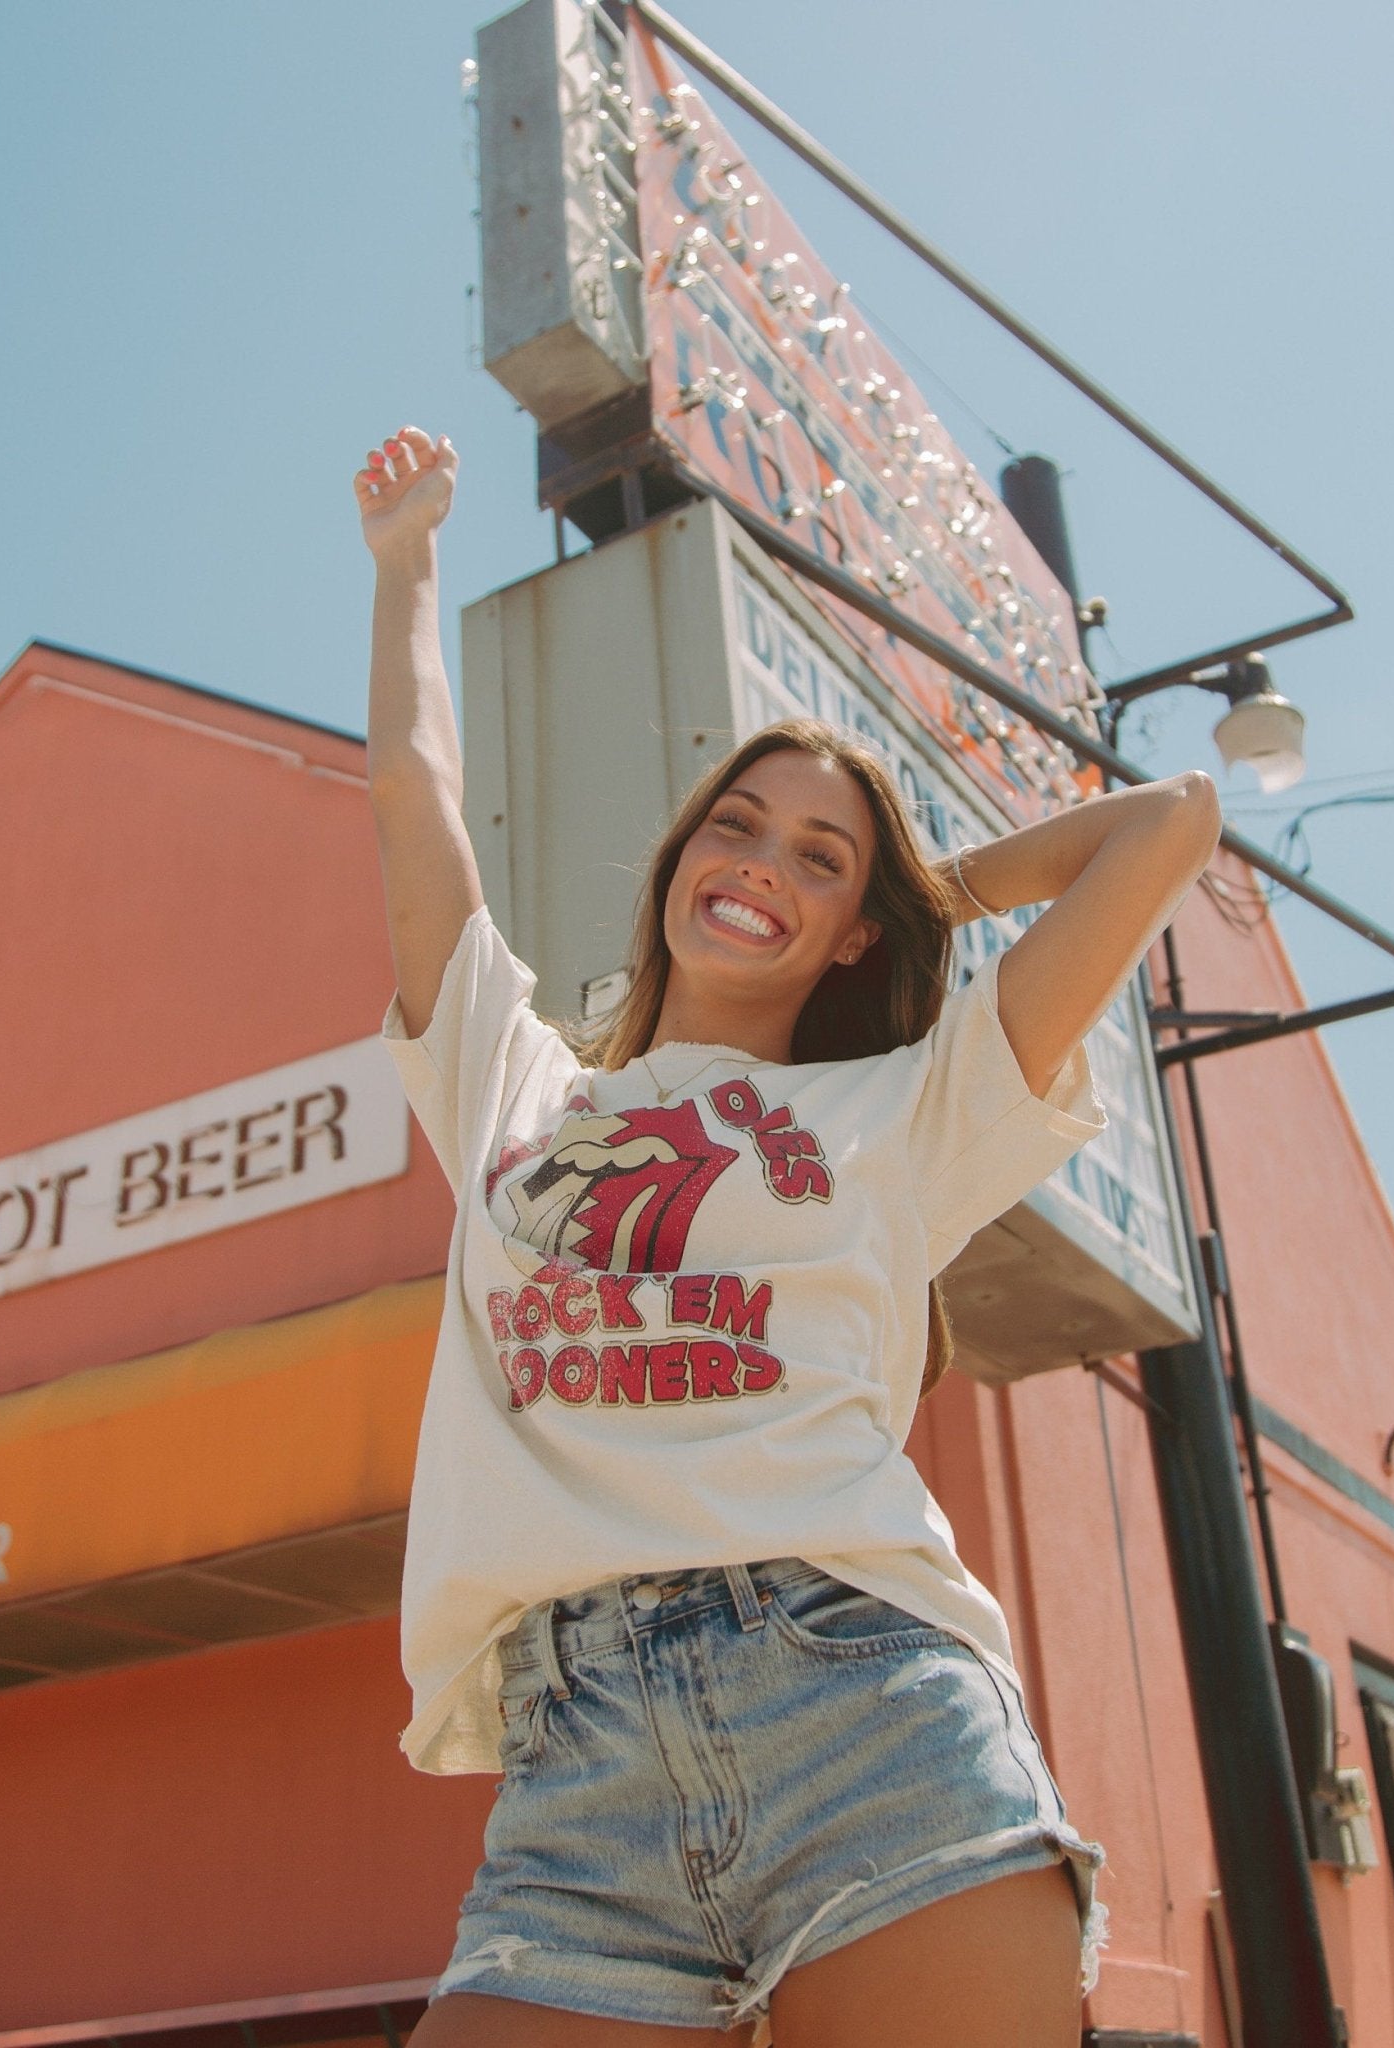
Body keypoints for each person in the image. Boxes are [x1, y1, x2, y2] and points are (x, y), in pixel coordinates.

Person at [356, 424, 1221, 2048]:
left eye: (814, 859)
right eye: (735, 828)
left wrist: (908, 891)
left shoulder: (911, 1105)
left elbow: (1166, 820)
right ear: (678, 858)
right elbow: (414, 791)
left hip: (864, 1704)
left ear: (854, 934)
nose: (757, 865)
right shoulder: (508, 1081)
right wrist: (405, 560)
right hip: (577, 1765)